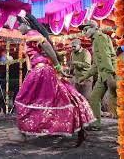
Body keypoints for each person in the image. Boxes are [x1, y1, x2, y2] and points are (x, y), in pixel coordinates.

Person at [14, 13, 95, 147]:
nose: (18, 28)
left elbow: (49, 49)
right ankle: (80, 130)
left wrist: (57, 66)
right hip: (41, 71)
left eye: (19, 25)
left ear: (26, 24)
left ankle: (22, 134)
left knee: (23, 99)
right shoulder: (33, 36)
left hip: (41, 72)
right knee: (59, 99)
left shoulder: (32, 36)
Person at [78, 20, 117, 131]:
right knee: (95, 97)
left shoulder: (100, 38)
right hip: (102, 75)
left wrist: (110, 76)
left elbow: (106, 57)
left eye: (86, 29)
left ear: (95, 27)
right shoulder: (95, 41)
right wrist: (84, 77)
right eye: (83, 31)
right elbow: (96, 64)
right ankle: (96, 124)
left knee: (116, 100)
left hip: (109, 74)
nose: (84, 32)